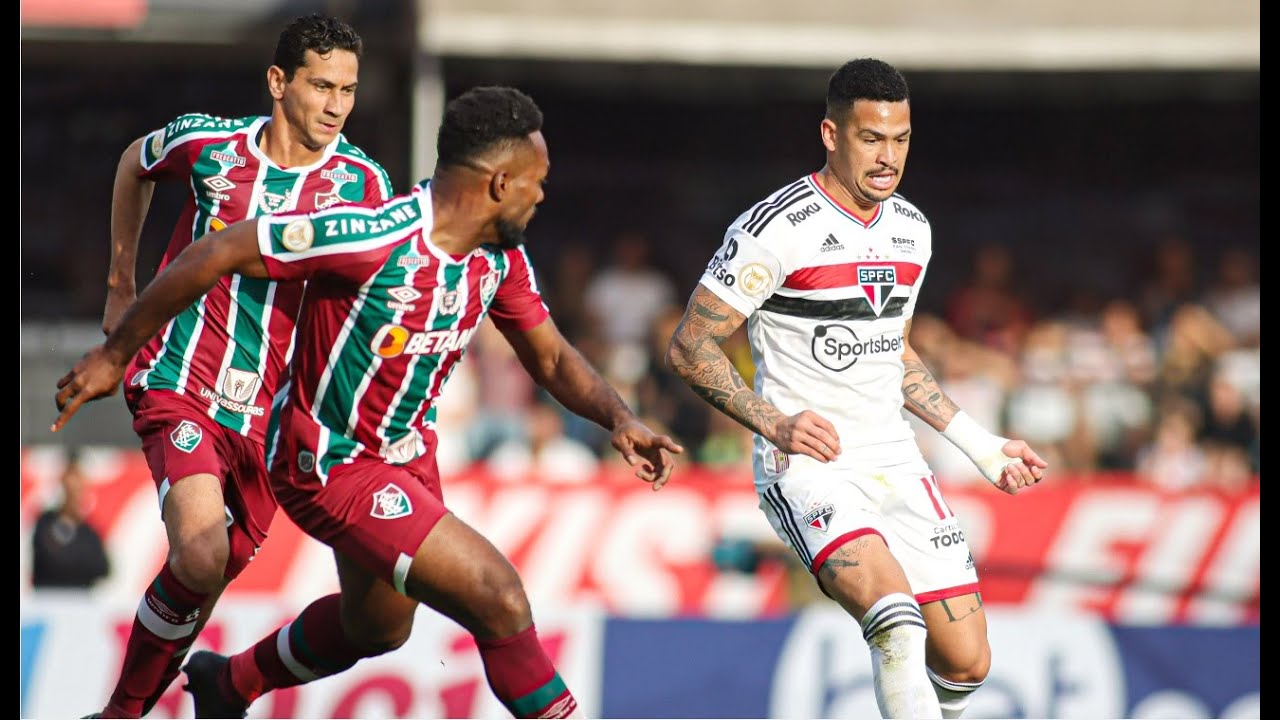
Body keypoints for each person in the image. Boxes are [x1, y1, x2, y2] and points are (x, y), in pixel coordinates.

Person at [54, 85, 683, 719]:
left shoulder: (500, 259)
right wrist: (114, 352)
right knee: (498, 596)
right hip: (328, 463)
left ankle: (229, 684)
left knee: (379, 629)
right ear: (497, 183)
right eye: (535, 181)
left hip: (406, 455)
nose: (542, 194)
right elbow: (216, 250)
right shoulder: (372, 236)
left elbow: (550, 359)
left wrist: (620, 418)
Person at [665, 58, 1047, 720]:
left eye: (900, 139)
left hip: (894, 458)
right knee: (897, 623)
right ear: (831, 135)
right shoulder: (775, 229)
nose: (887, 156)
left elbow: (890, 351)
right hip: (809, 464)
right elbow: (689, 343)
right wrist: (774, 424)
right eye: (871, 137)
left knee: (966, 662)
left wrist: (980, 445)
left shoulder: (912, 229)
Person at [86, 14, 392, 718]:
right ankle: (120, 714)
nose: (336, 105)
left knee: (207, 581)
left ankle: (196, 695)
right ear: (279, 83)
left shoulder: (366, 185)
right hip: (180, 382)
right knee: (198, 557)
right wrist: (120, 285)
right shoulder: (210, 144)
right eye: (321, 86)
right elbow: (136, 160)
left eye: (348, 89)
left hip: (275, 427)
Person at [30, 449, 111, 589]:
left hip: (79, 605)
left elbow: (103, 568)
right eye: (70, 476)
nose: (73, 485)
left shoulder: (89, 531)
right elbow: (47, 561)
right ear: (62, 479)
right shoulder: (45, 522)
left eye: (78, 477)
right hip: (48, 603)